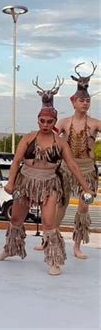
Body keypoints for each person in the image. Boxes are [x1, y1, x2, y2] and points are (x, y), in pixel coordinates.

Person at [0, 76, 94, 276]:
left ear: (55, 122)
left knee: (49, 222)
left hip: (49, 183)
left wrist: (85, 186)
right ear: (38, 120)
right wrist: (11, 182)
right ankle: (9, 248)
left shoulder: (60, 143)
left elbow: (72, 165)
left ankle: (54, 259)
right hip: (27, 181)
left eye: (49, 121)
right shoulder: (29, 138)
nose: (45, 124)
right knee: (15, 218)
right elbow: (16, 161)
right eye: (42, 120)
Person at [55, 62, 99, 259]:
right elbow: (50, 141)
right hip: (66, 169)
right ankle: (50, 238)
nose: (85, 103)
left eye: (87, 100)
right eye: (81, 100)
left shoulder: (95, 123)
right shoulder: (63, 123)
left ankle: (77, 245)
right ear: (73, 102)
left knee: (83, 206)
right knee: (60, 204)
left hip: (87, 170)